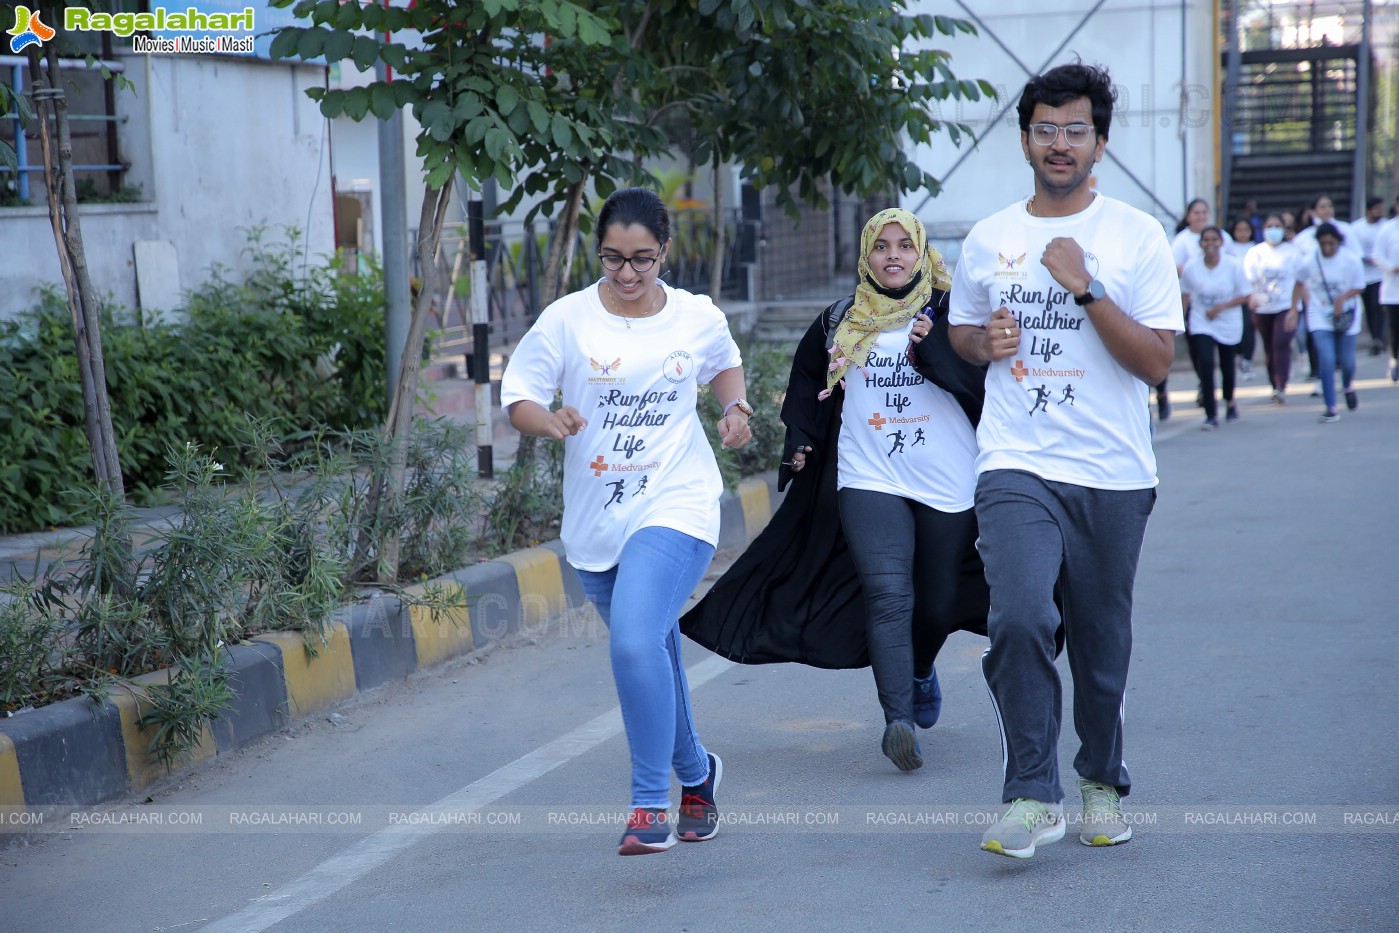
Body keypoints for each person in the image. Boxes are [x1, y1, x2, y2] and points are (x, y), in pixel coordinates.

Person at [948, 62, 1182, 859]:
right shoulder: (988, 237)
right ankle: (1028, 791)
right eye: (1045, 129)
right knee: (1016, 615)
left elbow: (1155, 363)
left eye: (1074, 130)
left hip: (1113, 473)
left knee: (1099, 638)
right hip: (1015, 459)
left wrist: (1083, 289)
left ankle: (1099, 777)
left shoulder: (1134, 235)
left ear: (1099, 145)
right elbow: (962, 335)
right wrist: (986, 342)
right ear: (1023, 140)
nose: (1059, 143)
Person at [680, 208, 995, 773]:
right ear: (866, 255)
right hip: (867, 476)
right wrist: (800, 439)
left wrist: (938, 349)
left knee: (939, 598)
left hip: (948, 480)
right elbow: (805, 385)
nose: (893, 256)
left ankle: (921, 670)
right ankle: (897, 719)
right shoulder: (839, 321)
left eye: (904, 246)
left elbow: (986, 386)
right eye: (881, 246)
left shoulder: (951, 315)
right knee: (887, 593)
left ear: (921, 254)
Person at [499, 187, 748, 856]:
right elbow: (518, 393)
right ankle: (697, 775)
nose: (629, 273)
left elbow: (724, 363)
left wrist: (737, 410)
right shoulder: (567, 320)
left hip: (678, 499)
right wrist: (545, 420)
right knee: (652, 651)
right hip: (595, 520)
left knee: (635, 642)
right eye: (613, 259)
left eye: (643, 259)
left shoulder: (693, 315)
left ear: (666, 250)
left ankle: (648, 804)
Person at [1180, 226, 1250, 428]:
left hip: (1228, 321)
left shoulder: (1233, 266)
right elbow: (1185, 295)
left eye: (1214, 240)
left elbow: (1245, 295)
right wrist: (1181, 319)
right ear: (1200, 244)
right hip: (1202, 321)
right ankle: (1210, 413)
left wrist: (1221, 307)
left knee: (1227, 366)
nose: (1210, 244)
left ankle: (1230, 400)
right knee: (1206, 363)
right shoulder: (1192, 268)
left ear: (1221, 243)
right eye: (1206, 240)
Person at [1298, 223, 1365, 422]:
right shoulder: (1310, 261)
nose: (1328, 247)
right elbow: (1299, 281)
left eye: (1331, 243)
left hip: (1347, 315)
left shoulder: (1350, 260)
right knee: (1326, 359)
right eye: (1323, 243)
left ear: (1338, 241)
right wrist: (1294, 309)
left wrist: (1342, 299)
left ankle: (1348, 386)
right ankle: (1331, 407)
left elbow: (1360, 286)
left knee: (1347, 362)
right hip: (1320, 315)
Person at [1243, 214, 1306, 403]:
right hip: (1262, 308)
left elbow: (1300, 281)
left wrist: (1295, 308)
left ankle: (1281, 383)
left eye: (1277, 226)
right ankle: (1274, 382)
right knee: (1269, 347)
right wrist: (1252, 298)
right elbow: (1248, 281)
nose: (1273, 230)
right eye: (1269, 226)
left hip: (1285, 306)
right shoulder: (1255, 252)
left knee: (1281, 343)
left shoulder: (1292, 252)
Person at [1351, 197, 1388, 356]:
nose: (1380, 212)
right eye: (1377, 209)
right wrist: (1364, 258)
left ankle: (1380, 338)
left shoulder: (1385, 226)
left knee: (1378, 307)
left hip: (1381, 275)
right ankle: (1375, 337)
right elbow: (1353, 250)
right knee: (1369, 308)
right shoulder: (1357, 228)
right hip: (1363, 275)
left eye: (1381, 209)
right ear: (1369, 210)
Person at [1226, 216, 1259, 379]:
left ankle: (1247, 359)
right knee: (1235, 328)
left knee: (1248, 328)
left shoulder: (1256, 248)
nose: (1243, 233)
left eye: (1246, 230)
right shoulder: (1229, 249)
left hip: (1250, 294)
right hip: (1233, 295)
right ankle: (1238, 354)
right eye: (1239, 230)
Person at [1372, 207, 1399, 383]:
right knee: (1394, 328)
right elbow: (1377, 255)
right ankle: (1394, 361)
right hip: (1393, 289)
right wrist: (1391, 267)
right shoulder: (1387, 229)